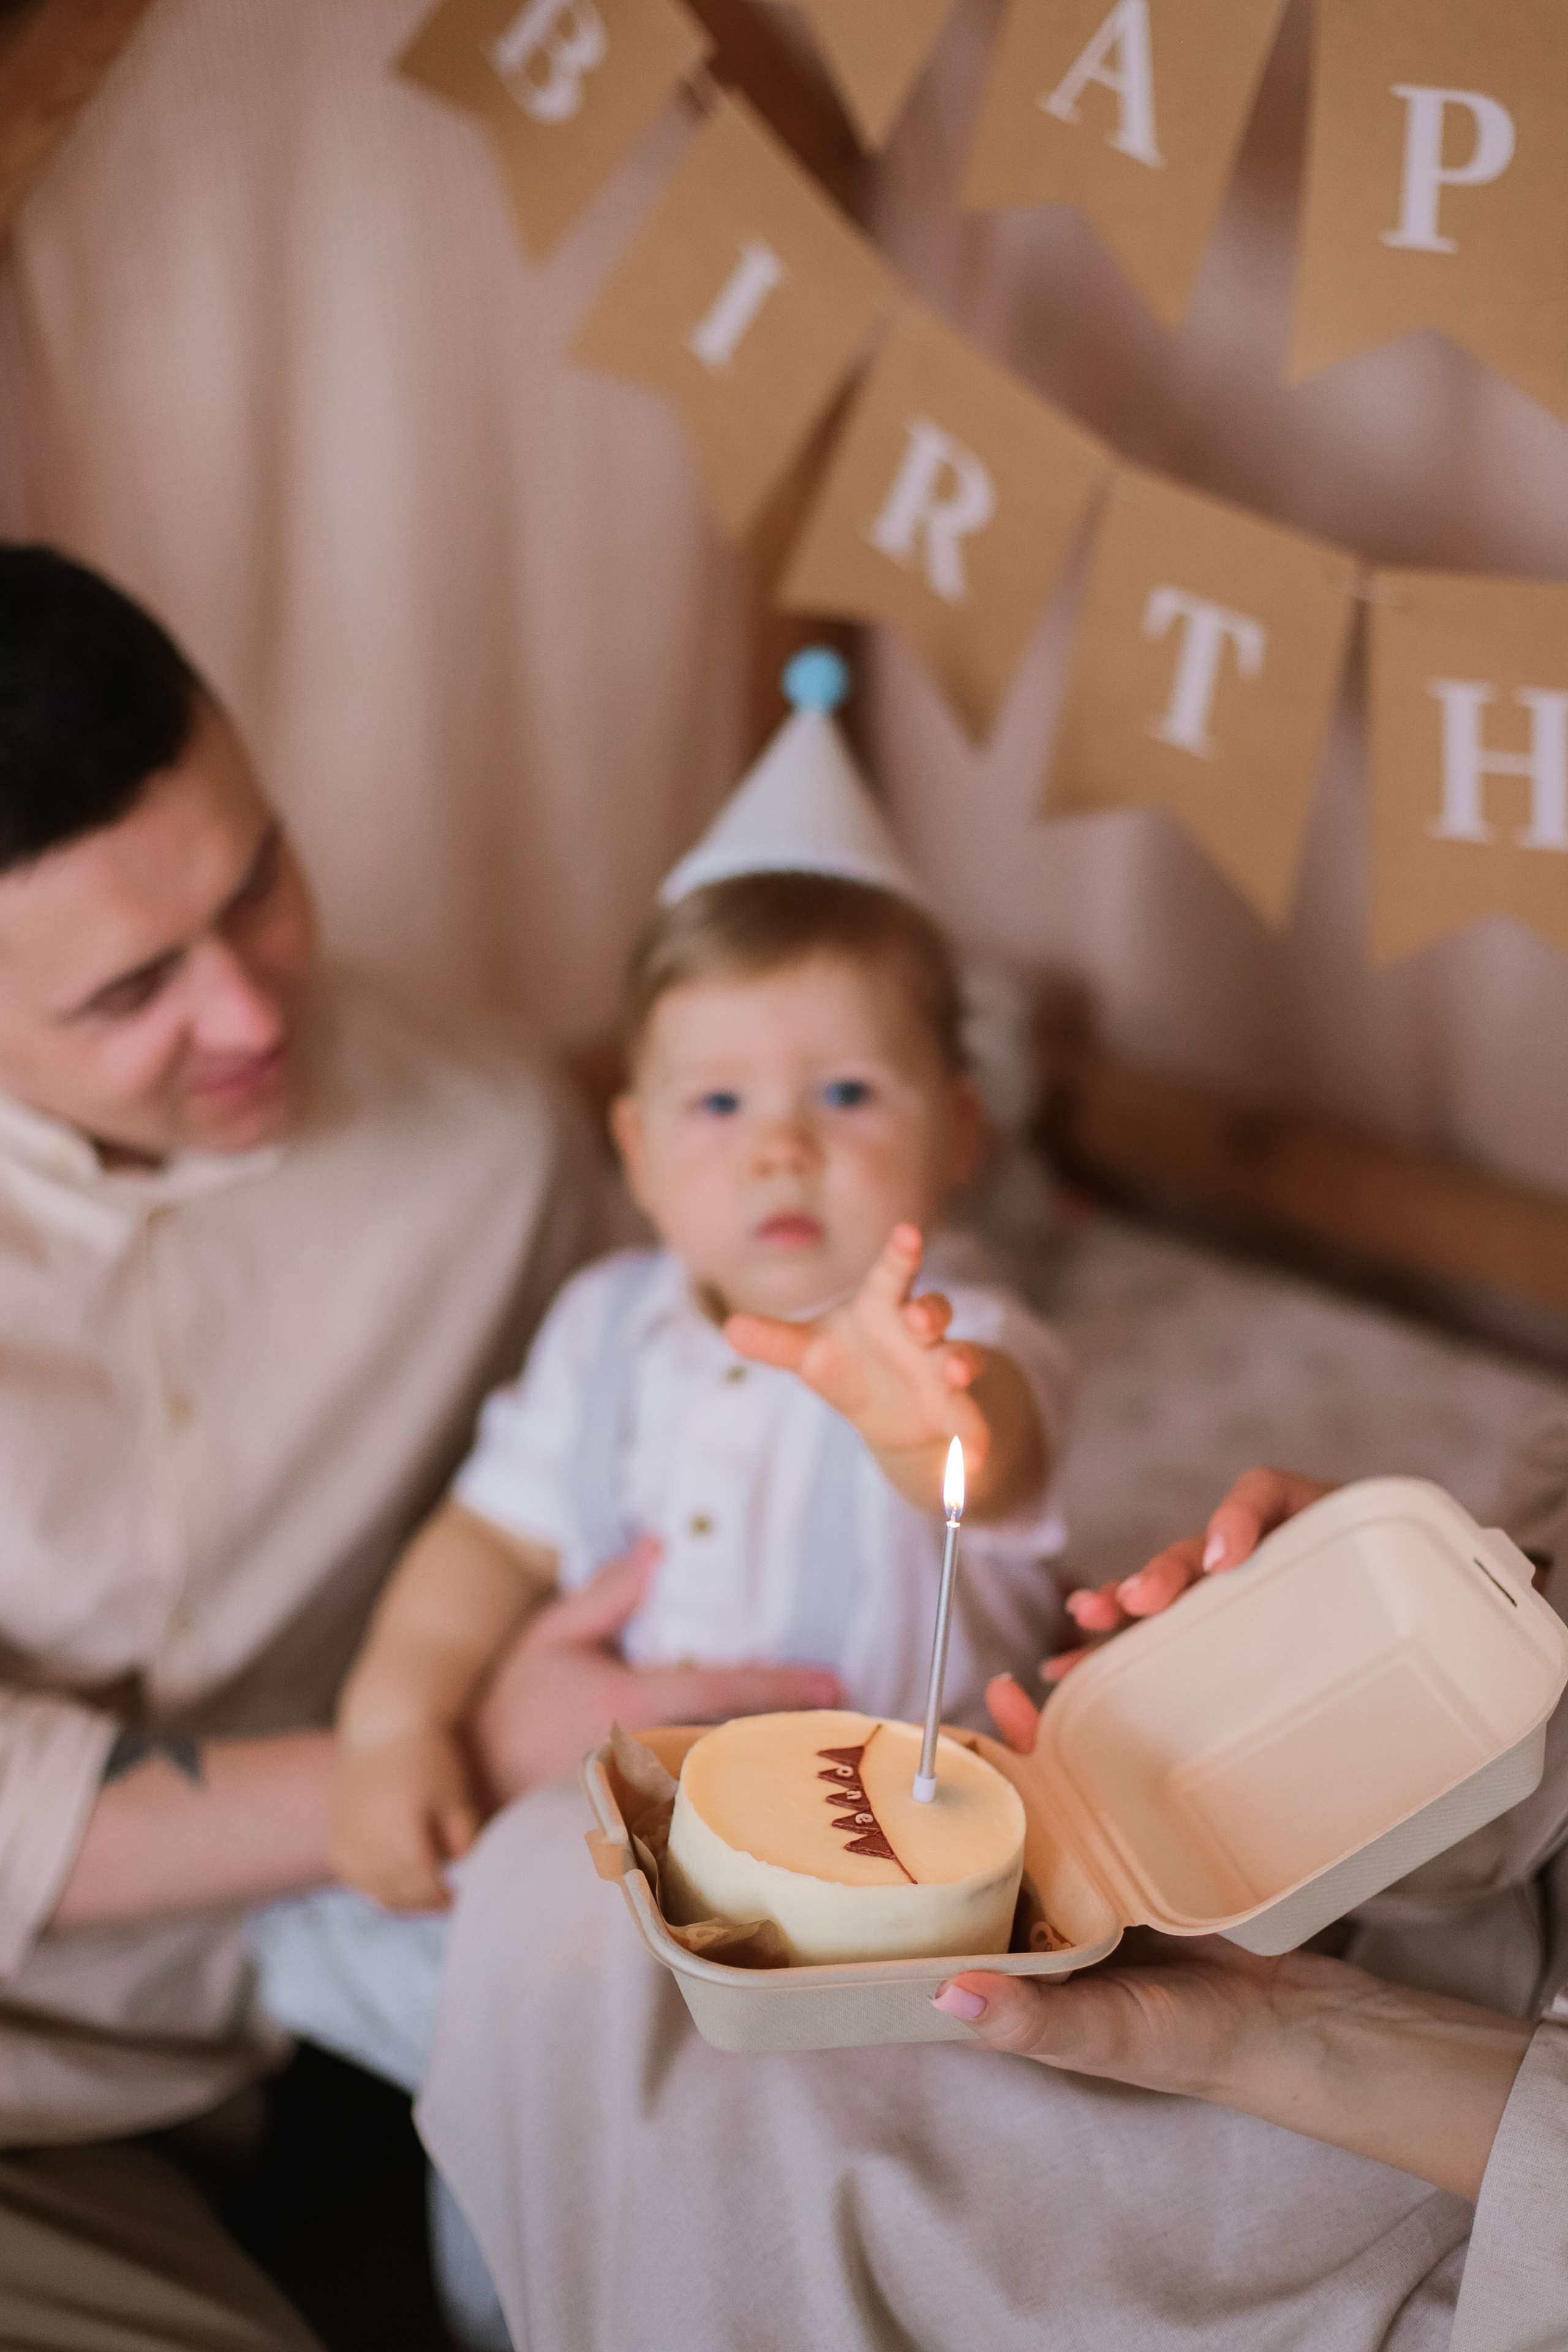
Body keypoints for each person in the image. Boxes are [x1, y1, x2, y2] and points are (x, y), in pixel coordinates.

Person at [0, 545, 829, 2351]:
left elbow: (607, 1463)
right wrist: (442, 1746)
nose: (250, 1009)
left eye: (260, 882)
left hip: (301, 2016)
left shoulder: (483, 1136)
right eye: (132, 991)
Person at [417, 1434, 1568, 2351]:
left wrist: (1307, 2035)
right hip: (1391, 1903)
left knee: (766, 2207)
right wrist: (1321, 1634)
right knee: (553, 1890)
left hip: (1493, 2190)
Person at [321, 646, 1073, 1917]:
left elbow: (994, 1457)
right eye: (717, 1102)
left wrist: (927, 1425)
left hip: (902, 1862)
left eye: (845, 1092)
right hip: (642, 1826)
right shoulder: (602, 1325)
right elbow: (487, 1541)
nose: (780, 1145)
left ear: (955, 1133)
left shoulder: (957, 1335)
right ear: (641, 1154)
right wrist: (390, 1728)